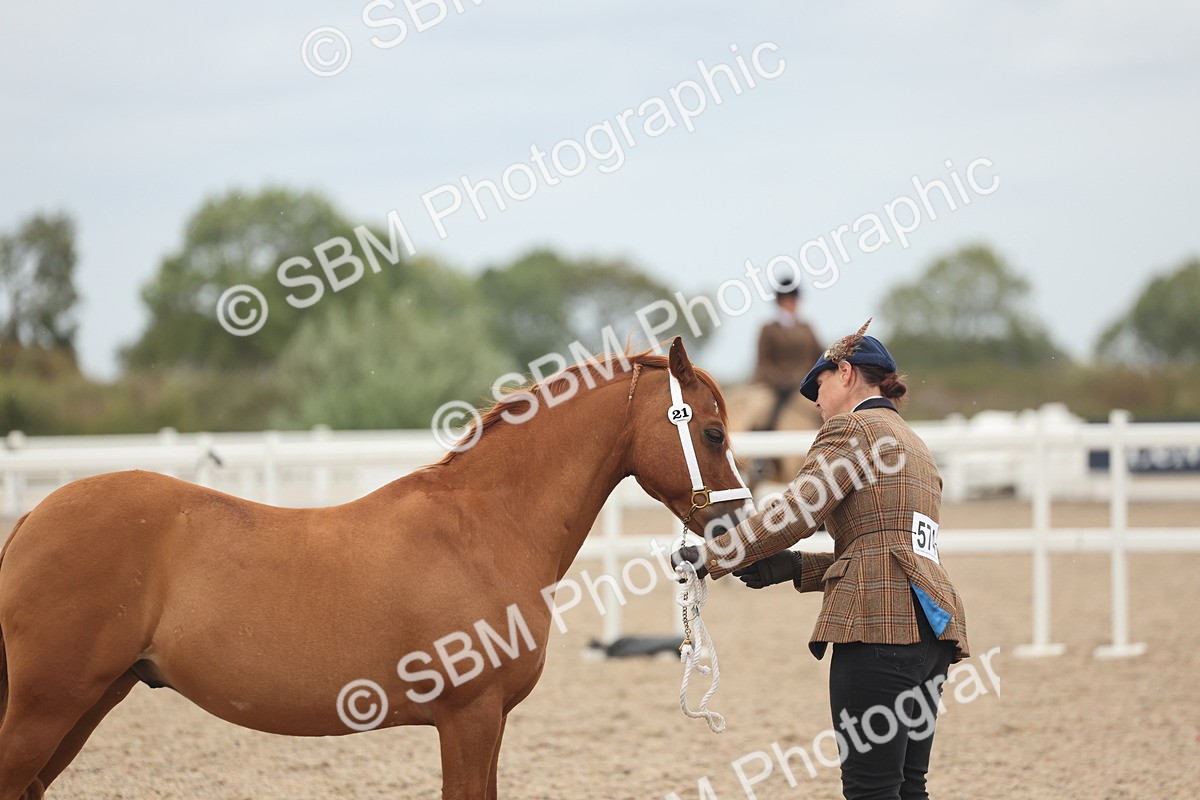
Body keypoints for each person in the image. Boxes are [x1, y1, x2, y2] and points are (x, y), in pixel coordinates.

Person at [674, 320, 969, 800]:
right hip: (931, 635)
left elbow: (796, 511)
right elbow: (883, 547)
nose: (814, 398)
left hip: (876, 629)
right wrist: (792, 567)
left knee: (869, 790)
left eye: (820, 384)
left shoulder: (851, 429)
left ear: (847, 373)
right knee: (908, 787)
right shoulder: (916, 446)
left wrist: (713, 555)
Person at [752, 280, 823, 432]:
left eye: (794, 300)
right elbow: (764, 362)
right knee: (764, 412)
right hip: (776, 387)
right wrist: (781, 381)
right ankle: (763, 448)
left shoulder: (807, 328)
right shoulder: (768, 329)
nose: (793, 304)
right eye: (789, 301)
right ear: (780, 302)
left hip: (805, 382)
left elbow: (820, 356)